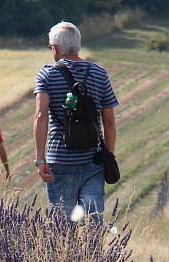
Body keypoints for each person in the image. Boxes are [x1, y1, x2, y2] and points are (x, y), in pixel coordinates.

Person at [34, 22, 118, 225]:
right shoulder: (100, 74)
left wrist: (40, 159)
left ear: (55, 48)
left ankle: (65, 257)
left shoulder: (46, 75)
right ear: (78, 45)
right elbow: (109, 121)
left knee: (63, 225)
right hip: (93, 158)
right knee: (93, 222)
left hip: (59, 159)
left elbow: (40, 116)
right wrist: (108, 155)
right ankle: (94, 256)